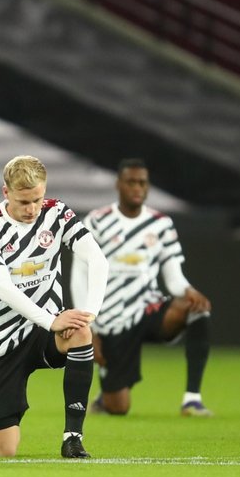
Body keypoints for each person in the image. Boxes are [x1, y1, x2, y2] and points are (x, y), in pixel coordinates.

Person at [0, 155, 108, 458]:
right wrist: (50, 320)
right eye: (24, 202)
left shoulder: (56, 213)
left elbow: (96, 259)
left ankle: (73, 437)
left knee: (81, 331)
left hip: (44, 332)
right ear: (6, 193)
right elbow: (2, 287)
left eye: (37, 200)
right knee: (2, 451)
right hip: (0, 342)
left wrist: (90, 312)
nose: (32, 209)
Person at [80, 158, 213, 417]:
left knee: (197, 308)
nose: (137, 188)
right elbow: (78, 274)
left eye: (142, 183)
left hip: (148, 307)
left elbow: (174, 278)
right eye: (131, 182)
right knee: (119, 408)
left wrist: (189, 291)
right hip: (111, 318)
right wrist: (89, 326)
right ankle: (105, 395)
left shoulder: (160, 224)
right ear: (119, 184)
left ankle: (192, 399)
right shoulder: (96, 221)